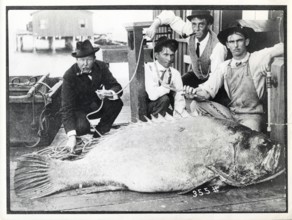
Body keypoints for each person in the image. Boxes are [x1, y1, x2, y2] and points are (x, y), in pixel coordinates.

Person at [184, 25, 284, 132]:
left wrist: (268, 56)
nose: (235, 45)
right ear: (227, 45)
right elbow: (207, 91)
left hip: (252, 116)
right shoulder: (224, 66)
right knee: (196, 104)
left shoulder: (256, 58)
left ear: (246, 42)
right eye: (231, 42)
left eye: (239, 40)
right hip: (231, 114)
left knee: (248, 139)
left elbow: (284, 45)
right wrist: (193, 93)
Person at [146, 10, 229, 105]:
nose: (196, 29)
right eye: (194, 24)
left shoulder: (218, 47)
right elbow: (170, 16)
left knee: (208, 104)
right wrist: (154, 25)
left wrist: (199, 91)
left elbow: (215, 78)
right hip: (195, 75)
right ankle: (176, 114)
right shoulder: (190, 31)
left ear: (209, 24)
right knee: (174, 87)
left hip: (213, 81)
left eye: (201, 25)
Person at [61, 40, 123, 152]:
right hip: (78, 110)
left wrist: (110, 93)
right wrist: (71, 137)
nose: (85, 63)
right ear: (76, 60)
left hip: (95, 105)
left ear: (94, 59)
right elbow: (66, 108)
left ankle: (99, 135)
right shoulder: (69, 76)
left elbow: (117, 87)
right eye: (82, 60)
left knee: (117, 103)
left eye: (89, 59)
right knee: (81, 128)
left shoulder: (101, 67)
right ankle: (79, 137)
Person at [145, 36, 188, 117]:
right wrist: (167, 88)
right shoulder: (149, 68)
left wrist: (179, 114)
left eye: (172, 55)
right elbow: (152, 95)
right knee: (164, 99)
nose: (169, 59)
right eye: (166, 54)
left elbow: (180, 97)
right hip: (146, 107)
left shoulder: (175, 73)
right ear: (156, 55)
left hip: (162, 108)